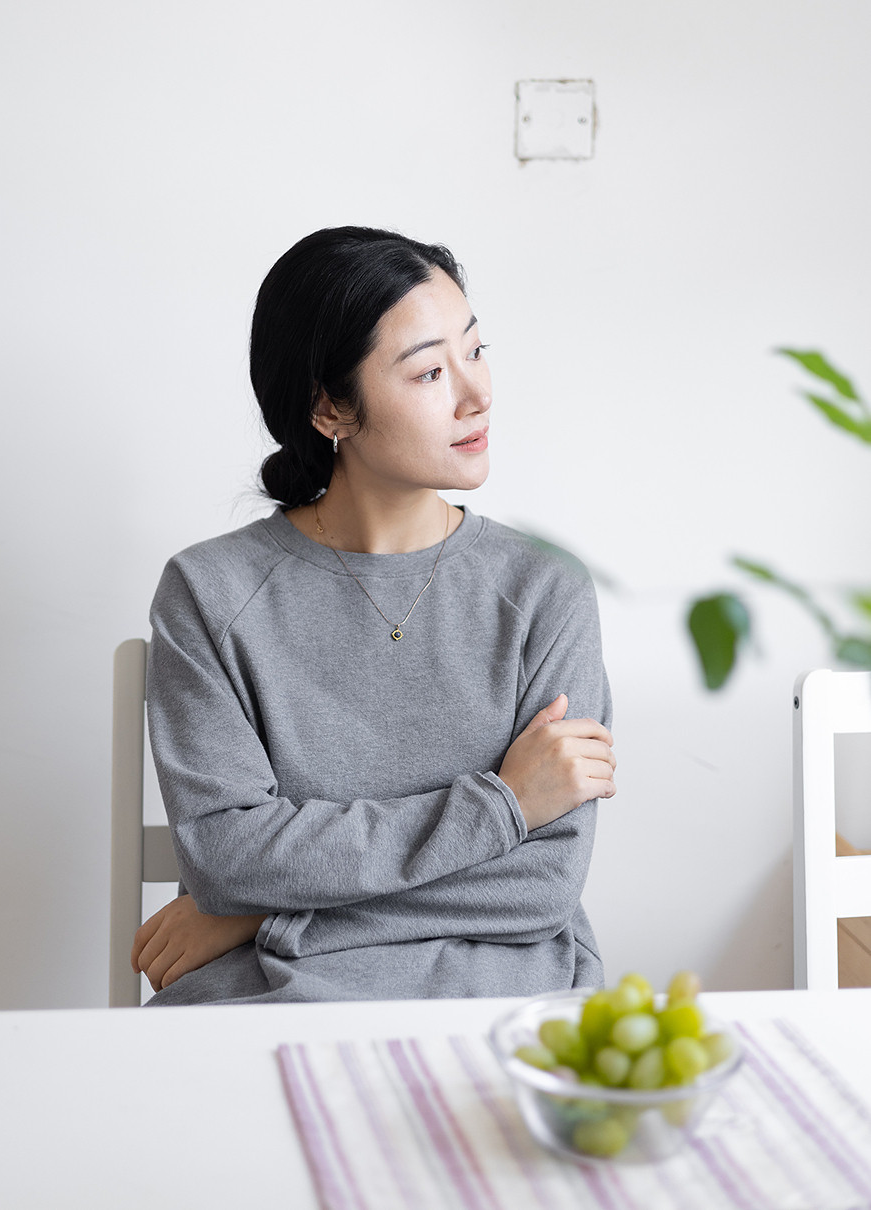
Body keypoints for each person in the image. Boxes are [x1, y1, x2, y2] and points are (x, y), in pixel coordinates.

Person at [132, 226, 616, 1005]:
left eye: (476, 350)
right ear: (330, 407)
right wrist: (506, 806)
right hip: (265, 1008)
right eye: (430, 372)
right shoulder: (210, 592)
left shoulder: (544, 590)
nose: (477, 394)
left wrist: (262, 914)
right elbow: (226, 857)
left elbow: (540, 885)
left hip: (506, 1007)